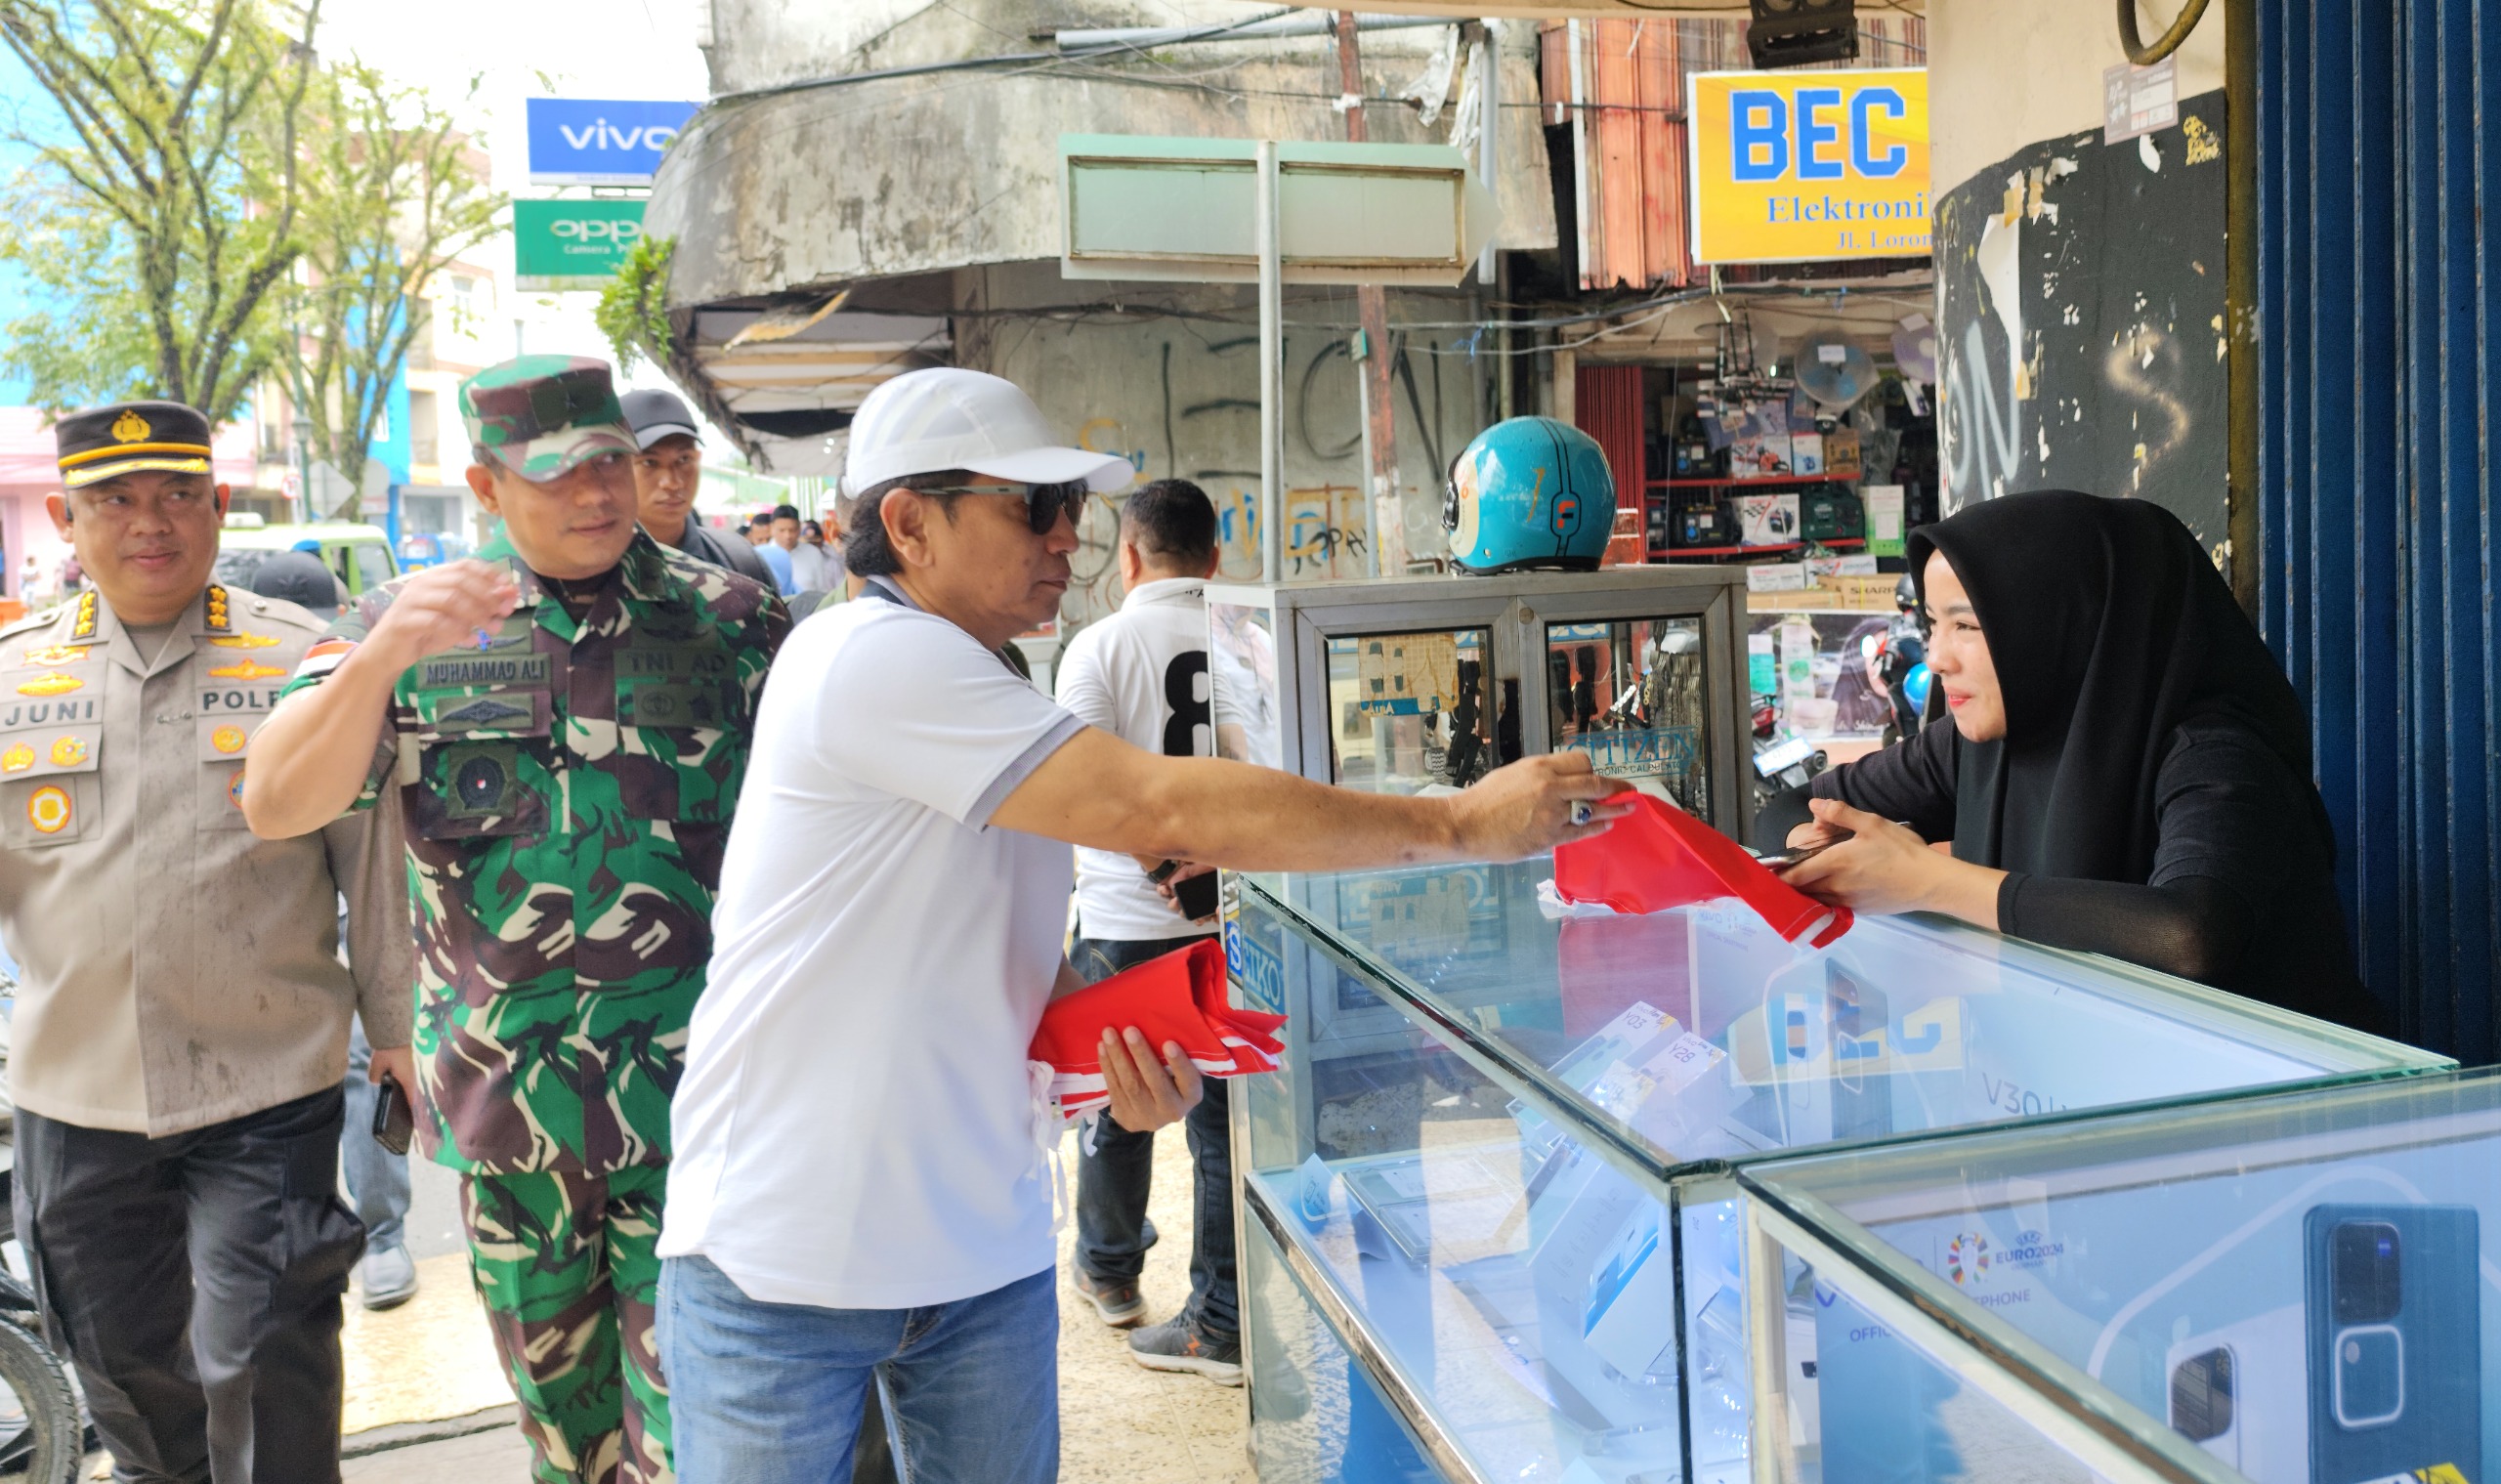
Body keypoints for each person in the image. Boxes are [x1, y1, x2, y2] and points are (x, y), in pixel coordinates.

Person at [653, 366, 1631, 1483]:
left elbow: (983, 956)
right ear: (909, 523)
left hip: (977, 1255)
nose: (1069, 533)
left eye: (1072, 505)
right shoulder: (869, 656)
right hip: (789, 1264)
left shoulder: (994, 676)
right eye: (1032, 506)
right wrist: (1458, 823)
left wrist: (1110, 1055)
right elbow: (1157, 802)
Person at [242, 357, 789, 1484]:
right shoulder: (406, 625)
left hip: (704, 1109)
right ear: (486, 489)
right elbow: (276, 801)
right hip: (512, 1122)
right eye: (556, 476)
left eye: (609, 465)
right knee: (567, 1441)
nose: (595, 494)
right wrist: (385, 656)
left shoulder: (733, 621)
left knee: (699, 1438)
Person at [0, 401, 415, 1482]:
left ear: (219, 506)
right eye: (116, 500)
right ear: (64, 517)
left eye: (180, 493)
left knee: (266, 1357)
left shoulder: (302, 662)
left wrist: (398, 1032)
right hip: (75, 1094)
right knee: (124, 1368)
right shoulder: (9, 677)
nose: (152, 521)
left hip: (263, 1086)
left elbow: (371, 860)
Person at [1767, 489, 2386, 1033]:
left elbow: (2190, 935)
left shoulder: (2213, 753)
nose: (1938, 658)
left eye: (1969, 628)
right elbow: (1789, 805)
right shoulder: (1976, 741)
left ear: (2061, 625)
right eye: (1933, 625)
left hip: (2279, 1117)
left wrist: (1930, 880)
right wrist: (1817, 844)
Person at [1053, 478, 1241, 1382]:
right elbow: (1269, 766)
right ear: (1213, 556)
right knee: (1221, 1125)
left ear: (1127, 556)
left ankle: (1114, 1274)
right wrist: (1204, 875)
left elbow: (1093, 792)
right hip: (1230, 922)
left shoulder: (1095, 646)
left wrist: (1161, 870)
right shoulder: (1245, 638)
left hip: (1125, 925)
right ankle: (1221, 1314)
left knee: (1113, 1103)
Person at [245, 552, 421, 1313]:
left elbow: (374, 845)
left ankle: (385, 1235)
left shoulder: (345, 681)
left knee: (367, 1069)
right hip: (267, 936)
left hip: (349, 910)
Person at [619, 389, 779, 589]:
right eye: (650, 462)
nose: (672, 482)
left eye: (684, 459)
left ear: (698, 458)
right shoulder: (590, 570)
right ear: (614, 467)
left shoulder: (738, 561)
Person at [753, 503, 799, 595]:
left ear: (799, 527)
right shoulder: (759, 556)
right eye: (782, 530)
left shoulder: (814, 554)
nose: (787, 536)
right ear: (772, 528)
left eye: (792, 530)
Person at [789, 516, 841, 593]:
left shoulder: (833, 562)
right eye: (809, 542)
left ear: (822, 542)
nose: (812, 546)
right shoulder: (795, 559)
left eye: (815, 542)